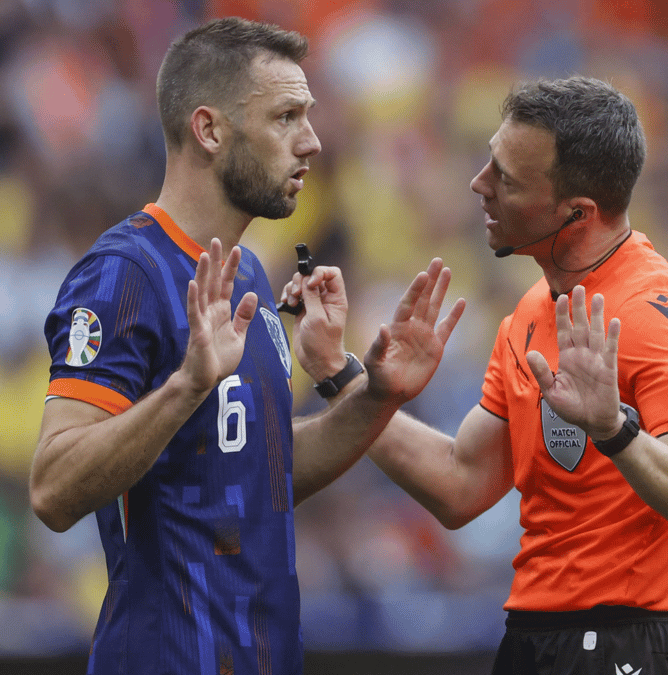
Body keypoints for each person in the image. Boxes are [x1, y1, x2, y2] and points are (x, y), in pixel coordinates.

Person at [29, 18, 464, 675]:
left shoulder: (252, 276)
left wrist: (376, 393)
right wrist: (184, 387)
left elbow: (262, 473)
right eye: (286, 116)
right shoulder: (123, 274)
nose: (312, 142)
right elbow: (53, 487)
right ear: (209, 130)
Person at [294, 76, 668, 675]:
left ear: (575, 213)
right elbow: (461, 485)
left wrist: (614, 430)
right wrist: (349, 380)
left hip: (624, 643)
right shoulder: (532, 311)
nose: (479, 185)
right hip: (537, 639)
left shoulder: (653, 310)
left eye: (506, 178)